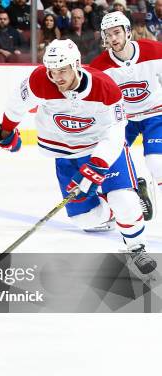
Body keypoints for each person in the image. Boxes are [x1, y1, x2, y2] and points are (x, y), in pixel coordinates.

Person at [0, 39, 157, 274]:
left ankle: (135, 246)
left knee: (125, 201)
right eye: (52, 71)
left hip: (102, 149)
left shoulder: (105, 87)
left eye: (62, 70)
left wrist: (97, 166)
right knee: (86, 219)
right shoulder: (39, 80)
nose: (57, 77)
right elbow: (17, 104)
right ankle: (113, 210)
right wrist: (7, 130)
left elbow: (116, 131)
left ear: (76, 65)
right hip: (66, 154)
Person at [90, 12, 162, 221]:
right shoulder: (99, 67)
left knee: (157, 163)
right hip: (123, 120)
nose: (113, 38)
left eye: (117, 32)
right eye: (108, 34)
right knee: (107, 160)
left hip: (155, 114)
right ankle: (134, 186)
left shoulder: (154, 50)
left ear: (128, 32)